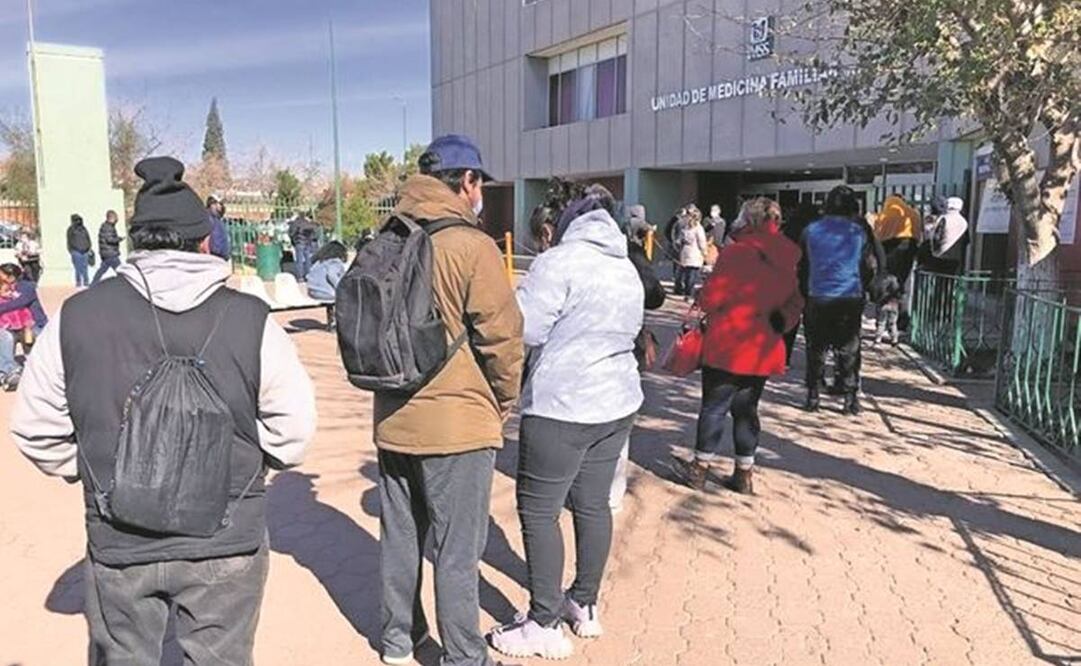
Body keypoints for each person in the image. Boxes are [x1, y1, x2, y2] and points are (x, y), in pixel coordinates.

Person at [11, 156, 317, 665]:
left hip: (119, 538)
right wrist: (239, 468)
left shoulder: (77, 317)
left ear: (134, 241)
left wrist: (98, 474)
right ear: (204, 242)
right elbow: (294, 433)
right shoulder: (252, 320)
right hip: (226, 538)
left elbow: (35, 428)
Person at [374, 135, 523, 666]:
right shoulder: (470, 245)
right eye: (479, 181)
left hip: (392, 415)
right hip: (457, 424)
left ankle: (397, 639)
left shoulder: (389, 234)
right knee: (457, 550)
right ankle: (464, 655)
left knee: (400, 538)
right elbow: (502, 339)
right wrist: (504, 400)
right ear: (467, 182)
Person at [489, 184, 643, 661]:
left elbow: (527, 329)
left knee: (540, 512)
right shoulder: (626, 266)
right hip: (617, 403)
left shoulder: (559, 262)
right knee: (593, 505)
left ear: (570, 222)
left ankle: (543, 623)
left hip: (562, 405)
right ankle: (585, 603)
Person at [671, 198, 803, 494]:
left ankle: (700, 469)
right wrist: (782, 321)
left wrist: (703, 293)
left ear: (748, 220)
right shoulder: (787, 255)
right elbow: (795, 301)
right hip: (764, 343)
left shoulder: (736, 253)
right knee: (748, 409)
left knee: (715, 406)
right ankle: (744, 473)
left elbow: (712, 298)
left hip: (728, 340)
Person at [799, 186, 881, 416]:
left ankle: (813, 395)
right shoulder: (858, 232)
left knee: (815, 347)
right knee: (849, 348)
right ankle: (849, 398)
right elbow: (868, 266)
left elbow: (802, 265)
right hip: (849, 294)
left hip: (818, 294)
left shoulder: (811, 230)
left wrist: (804, 291)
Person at [872, 195, 922, 341]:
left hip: (890, 250)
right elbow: (919, 234)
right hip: (909, 249)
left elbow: (878, 235)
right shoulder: (913, 213)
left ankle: (882, 322)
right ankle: (902, 321)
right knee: (903, 285)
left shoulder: (885, 215)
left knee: (887, 284)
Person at [0, 263, 44, 390]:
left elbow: (19, 302)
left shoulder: (27, 287)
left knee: (35, 335)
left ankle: (36, 369)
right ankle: (9, 371)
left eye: (2, 274)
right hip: (5, 325)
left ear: (11, 277)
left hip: (29, 323)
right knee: (6, 337)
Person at [674, 205, 707, 299]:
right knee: (692, 274)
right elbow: (701, 241)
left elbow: (679, 240)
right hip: (695, 253)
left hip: (685, 252)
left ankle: (685, 291)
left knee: (686, 273)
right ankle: (688, 293)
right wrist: (704, 251)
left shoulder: (685, 227)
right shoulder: (698, 228)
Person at [91, 209, 124, 285]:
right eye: (116, 218)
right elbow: (109, 239)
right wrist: (118, 239)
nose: (117, 220)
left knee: (102, 270)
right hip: (110, 253)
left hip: (107, 253)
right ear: (111, 218)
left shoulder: (106, 227)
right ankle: (125, 283)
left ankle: (93, 284)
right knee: (121, 270)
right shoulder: (108, 227)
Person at [288, 213, 319, 281]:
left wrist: (293, 240)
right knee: (308, 259)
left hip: (298, 242)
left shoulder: (295, 223)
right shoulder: (308, 223)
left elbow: (291, 233)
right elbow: (315, 232)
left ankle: (300, 277)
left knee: (299, 260)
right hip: (307, 242)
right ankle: (308, 275)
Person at [67, 213, 92, 287]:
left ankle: (86, 282)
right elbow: (69, 240)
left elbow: (88, 238)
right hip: (76, 251)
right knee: (78, 268)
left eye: (79, 220)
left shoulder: (84, 228)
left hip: (85, 251)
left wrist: (89, 247)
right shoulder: (71, 229)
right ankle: (78, 282)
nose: (78, 221)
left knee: (85, 268)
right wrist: (71, 250)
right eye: (76, 220)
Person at [206, 194, 232, 261]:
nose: (221, 206)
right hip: (215, 256)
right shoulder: (209, 218)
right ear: (213, 204)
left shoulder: (218, 219)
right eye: (220, 203)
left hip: (221, 256)